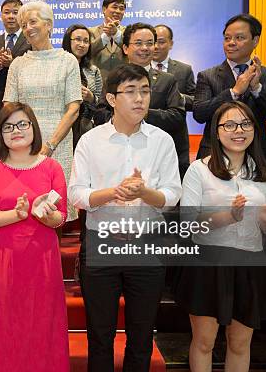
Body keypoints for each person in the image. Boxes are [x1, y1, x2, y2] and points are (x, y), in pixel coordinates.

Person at [70, 64, 182, 371]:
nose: (140, 99)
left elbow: (173, 194)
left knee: (141, 336)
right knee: (100, 336)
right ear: (110, 98)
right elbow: (76, 194)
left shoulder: (161, 140)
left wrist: (145, 193)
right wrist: (113, 193)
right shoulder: (91, 141)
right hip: (101, 246)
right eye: (130, 91)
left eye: (145, 91)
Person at [176, 101, 266, 372]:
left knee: (239, 343)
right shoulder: (199, 170)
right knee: (204, 341)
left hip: (250, 263)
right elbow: (188, 224)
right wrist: (228, 217)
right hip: (208, 264)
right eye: (230, 124)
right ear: (216, 130)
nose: (239, 130)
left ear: (255, 130)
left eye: (246, 124)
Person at [0, 102, 69, 371]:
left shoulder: (52, 167)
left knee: (44, 321)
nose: (15, 131)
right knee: (6, 322)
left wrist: (45, 215)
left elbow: (60, 216)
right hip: (6, 258)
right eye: (7, 127)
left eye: (22, 124)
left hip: (43, 257)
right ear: (0, 133)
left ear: (33, 128)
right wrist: (15, 215)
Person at [4, 0, 81, 221]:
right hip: (23, 145)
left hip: (58, 145)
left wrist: (49, 146)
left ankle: (51, 257)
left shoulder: (68, 61)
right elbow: (8, 107)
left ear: (49, 25)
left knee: (52, 212)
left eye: (33, 22)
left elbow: (73, 108)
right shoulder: (17, 64)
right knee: (24, 209)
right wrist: (22, 142)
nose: (28, 28)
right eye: (24, 24)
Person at [193, 14, 266, 164]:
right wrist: (233, 93)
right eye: (227, 38)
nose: (231, 43)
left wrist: (257, 88)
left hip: (257, 155)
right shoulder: (207, 75)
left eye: (239, 38)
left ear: (255, 41)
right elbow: (199, 113)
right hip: (215, 154)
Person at [119, 22, 189, 179]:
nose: (145, 48)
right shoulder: (114, 79)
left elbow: (177, 116)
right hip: (121, 153)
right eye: (138, 43)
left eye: (150, 43)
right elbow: (102, 113)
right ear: (125, 48)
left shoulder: (168, 80)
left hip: (157, 155)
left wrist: (141, 114)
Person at [0, 0, 31, 124]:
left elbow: (36, 69)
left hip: (25, 102)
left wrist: (13, 63)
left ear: (22, 16)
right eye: (7, 12)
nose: (11, 16)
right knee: (0, 144)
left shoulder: (31, 41)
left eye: (15, 12)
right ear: (1, 16)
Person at [62, 24, 103, 148]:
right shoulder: (58, 66)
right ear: (68, 41)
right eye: (78, 40)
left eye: (86, 41)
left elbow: (101, 104)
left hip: (85, 127)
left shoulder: (93, 70)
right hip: (62, 124)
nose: (82, 44)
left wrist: (91, 98)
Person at [152, 24, 196, 111]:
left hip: (174, 122)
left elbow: (196, 101)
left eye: (161, 42)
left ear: (171, 44)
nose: (156, 46)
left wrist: (177, 97)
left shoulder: (184, 70)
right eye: (153, 42)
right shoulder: (140, 68)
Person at [88, 0, 127, 81]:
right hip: (97, 85)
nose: (118, 11)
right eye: (114, 7)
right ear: (104, 9)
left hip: (122, 84)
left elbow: (131, 49)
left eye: (121, 8)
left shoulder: (128, 32)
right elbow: (87, 52)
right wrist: (106, 36)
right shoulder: (91, 31)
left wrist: (116, 34)